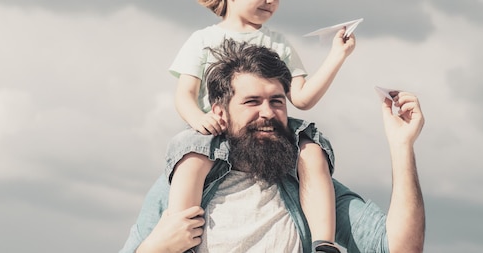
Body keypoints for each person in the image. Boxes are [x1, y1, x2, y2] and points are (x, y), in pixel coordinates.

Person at [120, 39, 425, 253]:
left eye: (276, 101)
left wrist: (402, 146)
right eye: (252, 102)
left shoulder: (308, 187)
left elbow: (400, 248)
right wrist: (153, 249)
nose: (267, 112)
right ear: (220, 112)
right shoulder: (184, 181)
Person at [166, 0, 355, 252]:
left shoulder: (277, 43)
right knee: (189, 150)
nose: (271, 1)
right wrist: (198, 120)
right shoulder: (201, 40)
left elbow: (303, 99)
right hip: (216, 127)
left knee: (312, 149)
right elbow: (185, 94)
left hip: (266, 128)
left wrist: (337, 56)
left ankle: (324, 243)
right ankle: (178, 235)